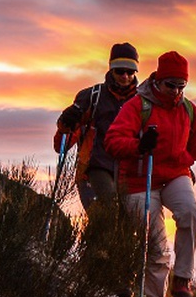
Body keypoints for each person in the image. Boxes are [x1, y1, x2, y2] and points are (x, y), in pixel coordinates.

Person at [103, 50, 196, 297]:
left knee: (190, 214)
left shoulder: (188, 109)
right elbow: (112, 141)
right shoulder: (137, 106)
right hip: (139, 180)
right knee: (156, 245)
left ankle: (182, 279)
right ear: (158, 80)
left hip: (176, 174)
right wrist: (139, 145)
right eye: (170, 85)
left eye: (181, 86)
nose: (176, 91)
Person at [54, 42, 142, 210]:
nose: (125, 76)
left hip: (130, 173)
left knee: (127, 222)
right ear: (111, 70)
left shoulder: (142, 101)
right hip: (94, 169)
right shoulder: (92, 97)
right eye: (120, 71)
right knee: (107, 212)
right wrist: (65, 123)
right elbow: (62, 144)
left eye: (130, 72)